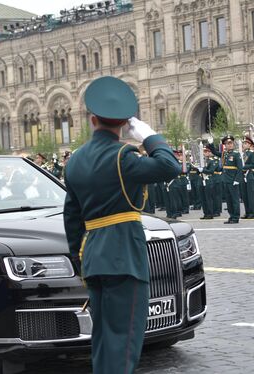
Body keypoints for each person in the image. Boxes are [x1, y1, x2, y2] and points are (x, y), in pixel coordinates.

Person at [63, 76, 180, 374]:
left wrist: (80, 261)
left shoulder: (74, 161)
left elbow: (72, 219)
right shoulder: (122, 156)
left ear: (92, 120)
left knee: (103, 340)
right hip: (124, 257)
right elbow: (169, 166)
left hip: (93, 260)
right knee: (124, 343)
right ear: (123, 124)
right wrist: (150, 137)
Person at [209, 135, 242, 223]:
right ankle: (231, 216)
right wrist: (211, 143)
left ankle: (236, 217)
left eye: (231, 143)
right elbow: (215, 152)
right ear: (225, 145)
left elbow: (240, 168)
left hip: (232, 180)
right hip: (225, 180)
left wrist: (237, 180)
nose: (229, 145)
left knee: (234, 200)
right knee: (229, 200)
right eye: (227, 144)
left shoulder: (236, 154)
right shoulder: (224, 154)